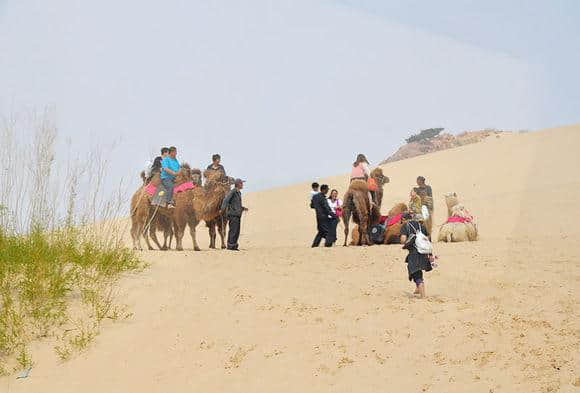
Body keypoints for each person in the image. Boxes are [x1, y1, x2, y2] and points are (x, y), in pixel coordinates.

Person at [399, 212, 435, 299]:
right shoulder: (421, 226)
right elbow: (427, 240)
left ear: (404, 219)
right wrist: (430, 255)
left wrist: (406, 241)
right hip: (424, 253)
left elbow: (403, 240)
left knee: (416, 273)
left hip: (414, 253)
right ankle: (417, 288)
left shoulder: (405, 226)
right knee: (416, 270)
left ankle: (423, 295)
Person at [221, 178, 248, 251]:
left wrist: (243, 208)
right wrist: (222, 209)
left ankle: (234, 245)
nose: (242, 185)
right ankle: (230, 246)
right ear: (238, 184)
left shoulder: (238, 192)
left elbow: (236, 204)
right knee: (233, 230)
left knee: (237, 231)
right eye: (241, 183)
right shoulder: (232, 192)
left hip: (237, 214)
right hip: (233, 215)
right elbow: (226, 200)